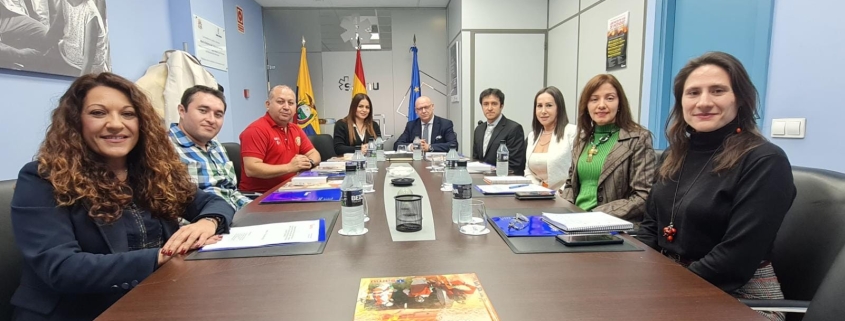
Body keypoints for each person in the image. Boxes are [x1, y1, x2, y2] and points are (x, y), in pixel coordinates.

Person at [9, 72, 235, 321]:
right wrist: (162, 256)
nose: (116, 123)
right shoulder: (43, 178)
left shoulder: (151, 170)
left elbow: (213, 202)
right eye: (98, 113)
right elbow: (62, 268)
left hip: (156, 295)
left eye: (128, 114)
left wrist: (207, 222)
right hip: (79, 311)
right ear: (76, 121)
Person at [637, 52, 795, 321]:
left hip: (741, 297)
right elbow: (651, 229)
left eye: (718, 90)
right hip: (674, 284)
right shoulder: (675, 155)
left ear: (741, 98)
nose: (704, 102)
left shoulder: (765, 160)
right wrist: (632, 273)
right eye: (693, 93)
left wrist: (663, 292)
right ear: (681, 102)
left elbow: (735, 260)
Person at [561, 74, 655, 222]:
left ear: (620, 103)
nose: (601, 105)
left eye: (610, 98)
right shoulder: (581, 139)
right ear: (586, 105)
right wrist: (566, 210)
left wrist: (594, 216)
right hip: (574, 221)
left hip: (612, 226)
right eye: (594, 99)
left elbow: (643, 196)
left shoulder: (638, 138)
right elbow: (570, 185)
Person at [169, 85, 252, 210]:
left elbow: (231, 193)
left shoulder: (216, 146)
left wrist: (255, 210)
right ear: (182, 111)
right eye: (203, 111)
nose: (211, 120)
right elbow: (169, 208)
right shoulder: (162, 148)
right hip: (203, 223)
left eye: (218, 115)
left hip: (234, 217)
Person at [239, 85, 321, 193]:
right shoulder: (256, 130)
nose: (286, 107)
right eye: (280, 102)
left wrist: (308, 163)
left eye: (291, 103)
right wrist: (289, 167)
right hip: (260, 196)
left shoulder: (295, 129)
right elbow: (251, 169)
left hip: (290, 189)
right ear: (268, 105)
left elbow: (314, 154)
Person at [524, 86, 577, 190]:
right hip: (536, 196)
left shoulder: (572, 132)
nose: (543, 111)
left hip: (563, 197)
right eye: (539, 106)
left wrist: (559, 194)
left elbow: (576, 172)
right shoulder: (532, 136)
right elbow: (528, 171)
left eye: (549, 105)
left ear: (559, 108)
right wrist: (536, 191)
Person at [471, 88, 526, 175]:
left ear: (501, 106)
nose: (489, 108)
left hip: (503, 181)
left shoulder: (514, 128)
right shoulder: (479, 129)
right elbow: (476, 160)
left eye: (494, 104)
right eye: (485, 104)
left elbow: (514, 165)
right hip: (481, 179)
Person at [393, 96, 458, 152]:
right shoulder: (411, 125)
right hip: (417, 161)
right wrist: (411, 147)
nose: (424, 111)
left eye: (426, 107)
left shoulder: (445, 124)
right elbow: (396, 145)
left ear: (432, 107)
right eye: (420, 108)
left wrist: (429, 147)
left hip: (437, 163)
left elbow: (454, 145)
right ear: (416, 111)